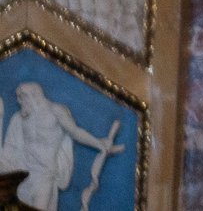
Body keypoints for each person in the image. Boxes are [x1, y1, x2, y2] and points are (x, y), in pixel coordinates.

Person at [0, 82, 123, 211]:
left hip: (45, 175)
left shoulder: (56, 111)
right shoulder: (21, 117)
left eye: (22, 98)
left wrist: (99, 144)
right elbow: (12, 147)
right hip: (24, 174)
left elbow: (75, 132)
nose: (20, 102)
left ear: (33, 96)